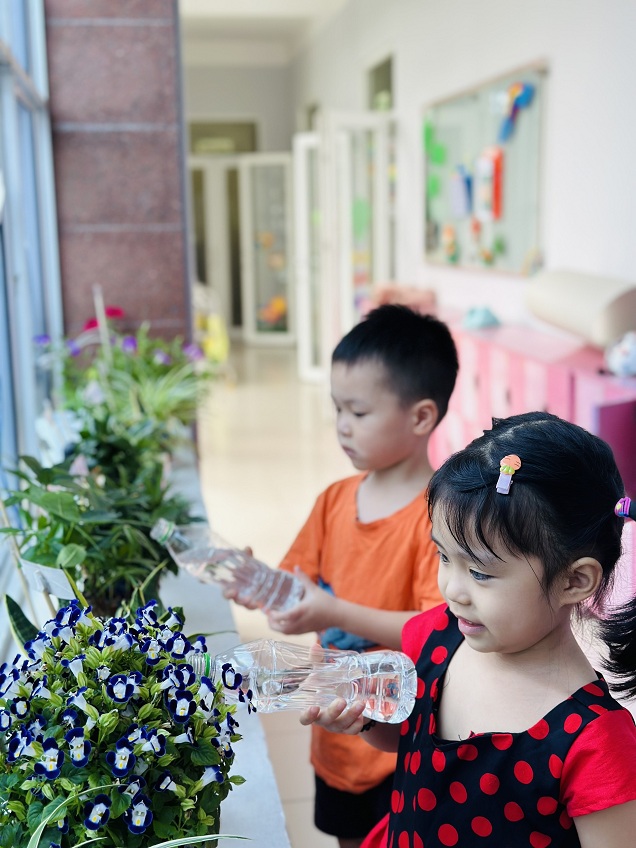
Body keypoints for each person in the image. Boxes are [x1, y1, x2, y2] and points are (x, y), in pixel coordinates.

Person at [301, 411, 636, 848]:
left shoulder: (596, 743)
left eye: (480, 572)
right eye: (444, 557)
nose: (453, 590)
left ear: (574, 581)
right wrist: (364, 716)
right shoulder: (437, 634)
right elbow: (410, 740)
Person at [267, 304, 459, 848]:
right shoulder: (334, 500)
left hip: (403, 740)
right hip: (336, 728)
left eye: (358, 411)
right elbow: (295, 582)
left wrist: (332, 611)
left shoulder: (438, 519)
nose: (342, 426)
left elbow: (435, 628)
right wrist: (265, 589)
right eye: (337, 409)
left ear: (421, 417)